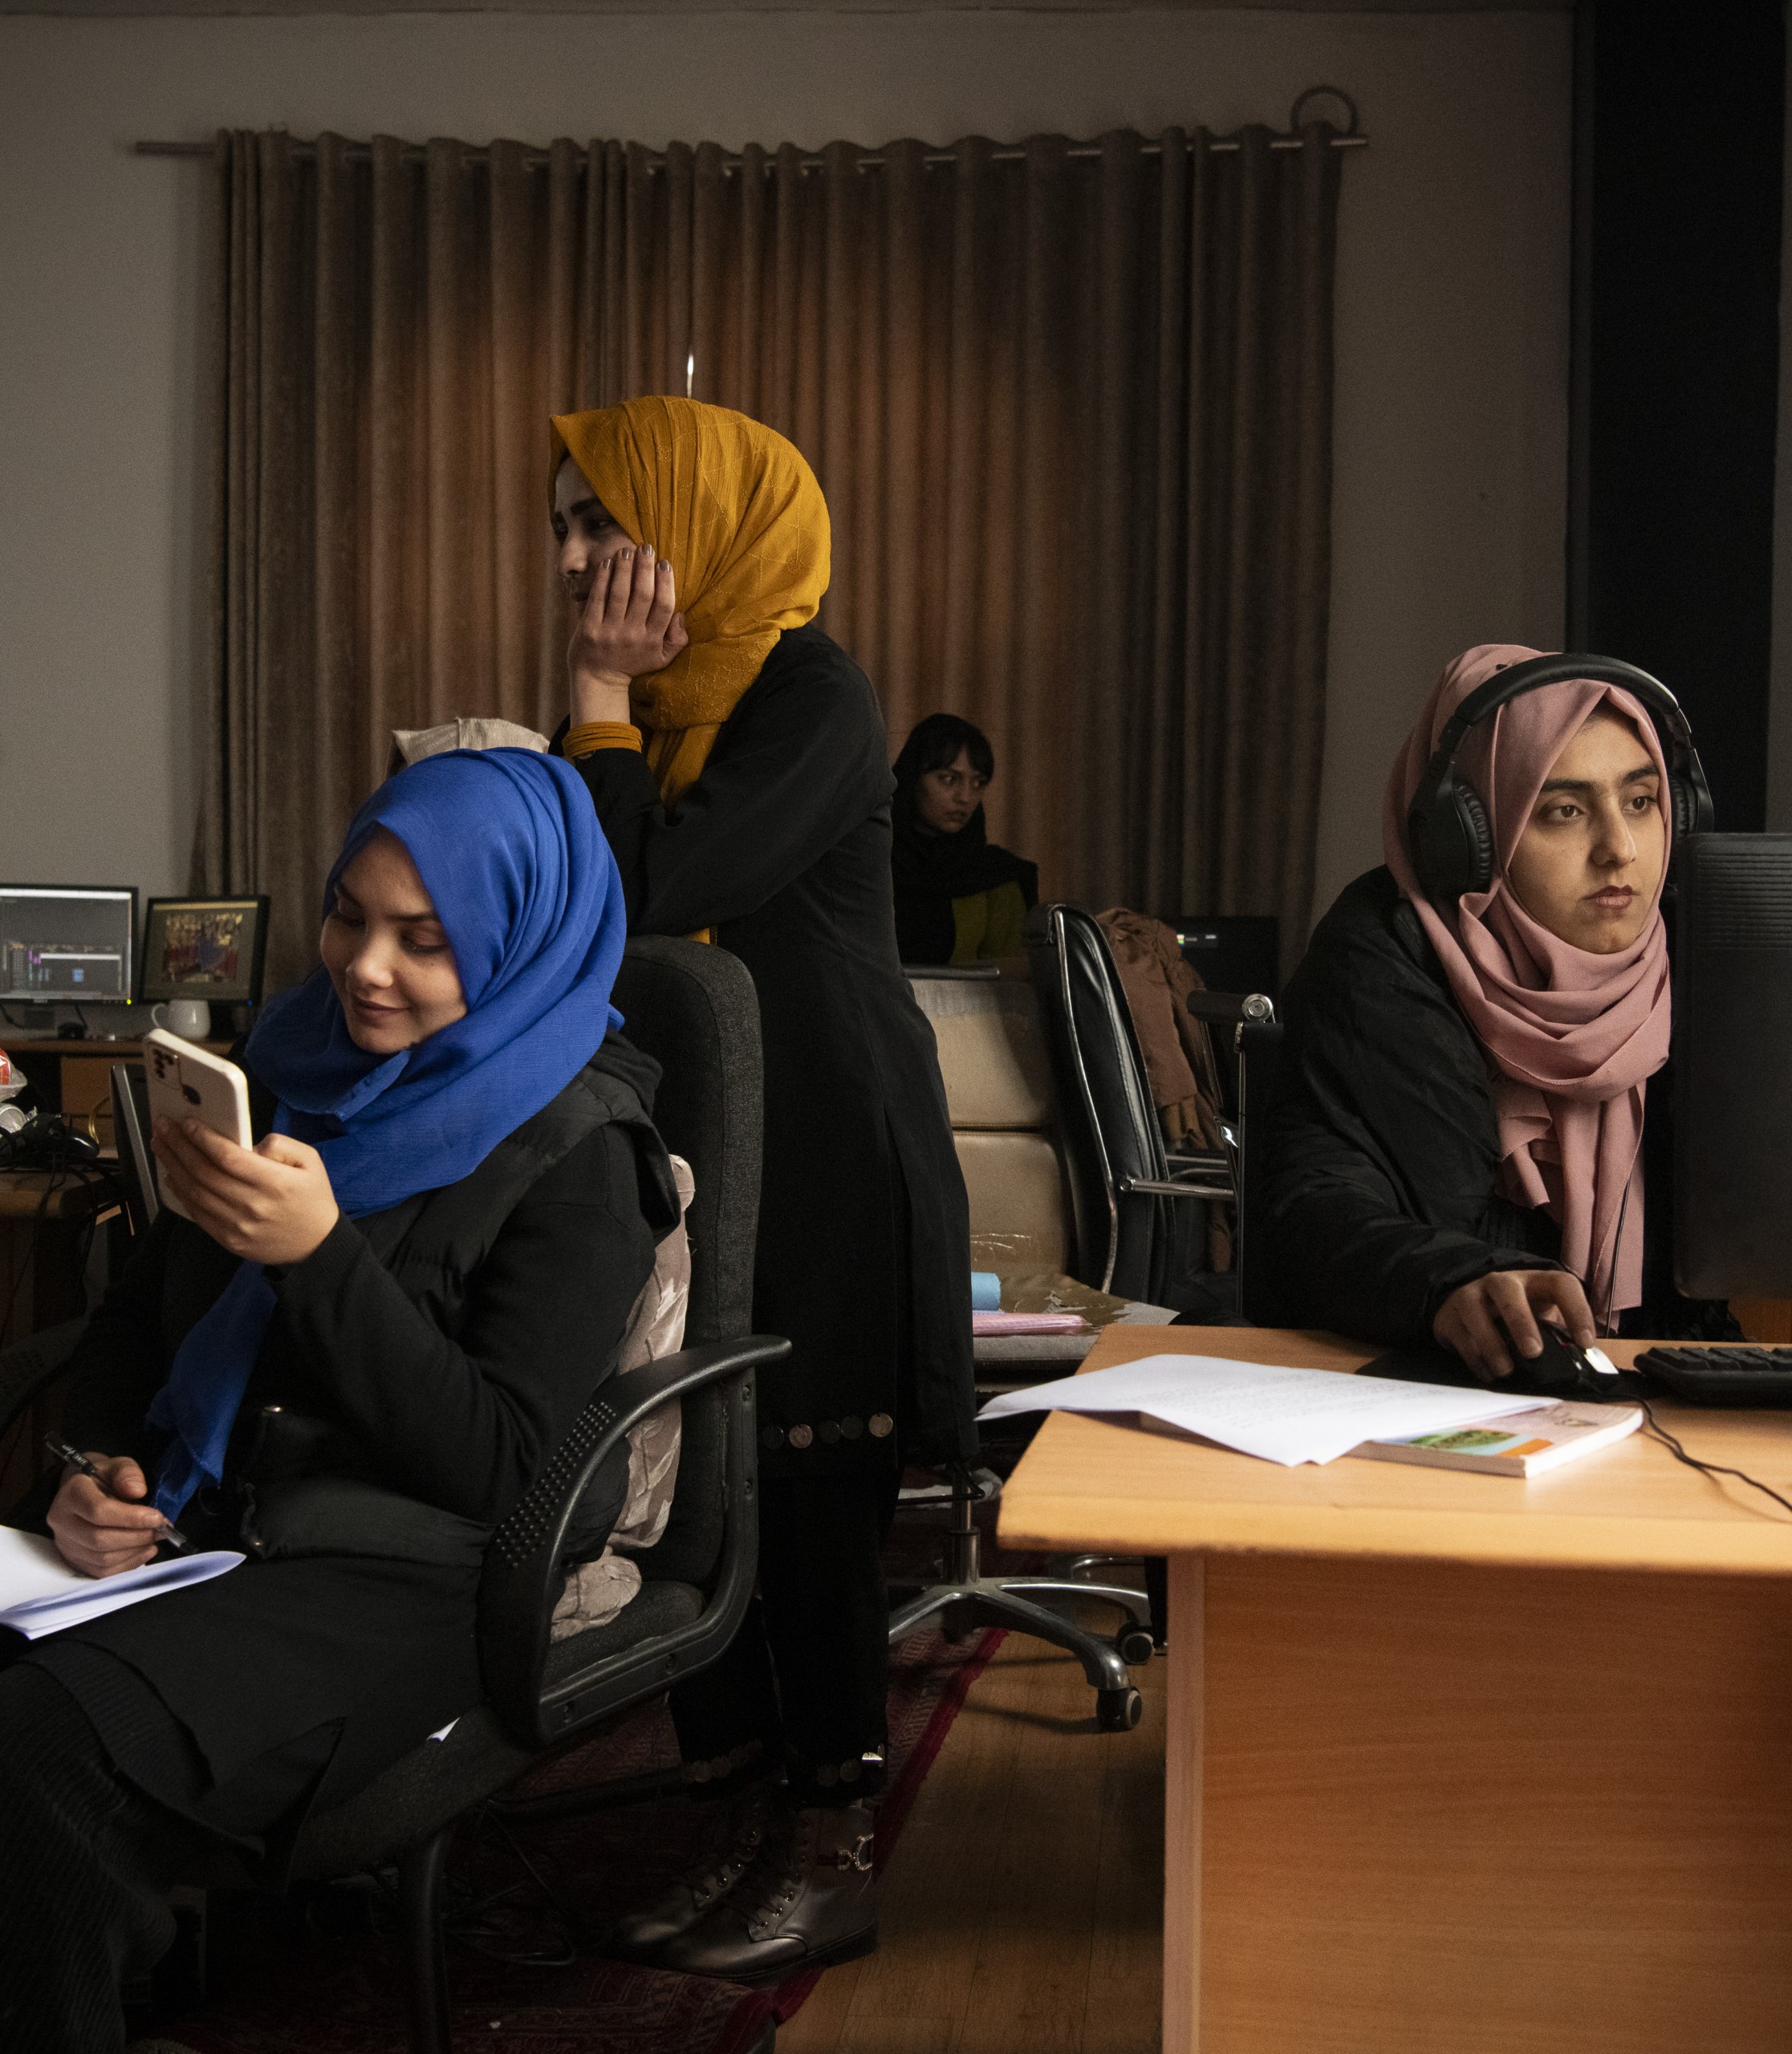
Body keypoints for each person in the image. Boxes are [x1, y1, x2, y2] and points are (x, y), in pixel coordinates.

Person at [0, 749, 677, 2052]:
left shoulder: (583, 1154)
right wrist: (93, 1462)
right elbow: (147, 1309)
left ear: (514, 932)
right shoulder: (292, 1063)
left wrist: (317, 1256)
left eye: (424, 939)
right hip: (208, 1525)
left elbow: (496, 1465)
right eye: (349, 917)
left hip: (401, 1566)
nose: (366, 966)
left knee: (40, 1756)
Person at [547, 394, 977, 1981]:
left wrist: (592, 698)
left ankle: (826, 1849)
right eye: (566, 530)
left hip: (824, 1157)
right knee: (702, 1490)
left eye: (606, 523)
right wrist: (605, 714)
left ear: (704, 530)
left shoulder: (809, 689)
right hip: (708, 1159)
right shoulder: (662, 718)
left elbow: (637, 894)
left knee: (802, 1510)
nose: (579, 561)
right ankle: (734, 1823)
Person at [1250, 643, 1737, 1377]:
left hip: (1662, 1390)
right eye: (1565, 811)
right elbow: (1320, 1206)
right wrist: (1450, 1279)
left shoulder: (1701, 960)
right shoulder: (1385, 954)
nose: (1620, 849)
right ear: (1468, 842)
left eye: (1641, 802)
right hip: (1443, 1389)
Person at [889, 713, 1039, 965]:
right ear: (913, 778)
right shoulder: (870, 862)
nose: (965, 798)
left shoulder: (997, 877)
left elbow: (1010, 982)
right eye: (949, 779)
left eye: (978, 783)